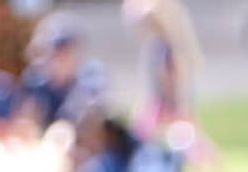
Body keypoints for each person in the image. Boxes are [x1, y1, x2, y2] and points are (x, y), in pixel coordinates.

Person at [127, 0, 204, 140]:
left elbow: (171, 78)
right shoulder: (156, 45)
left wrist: (172, 100)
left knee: (164, 128)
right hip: (160, 99)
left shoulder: (166, 47)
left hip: (165, 101)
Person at [18, 14, 110, 129]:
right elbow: (27, 121)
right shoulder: (36, 81)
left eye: (66, 51)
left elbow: (93, 120)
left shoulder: (92, 77)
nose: (60, 58)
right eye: (55, 52)